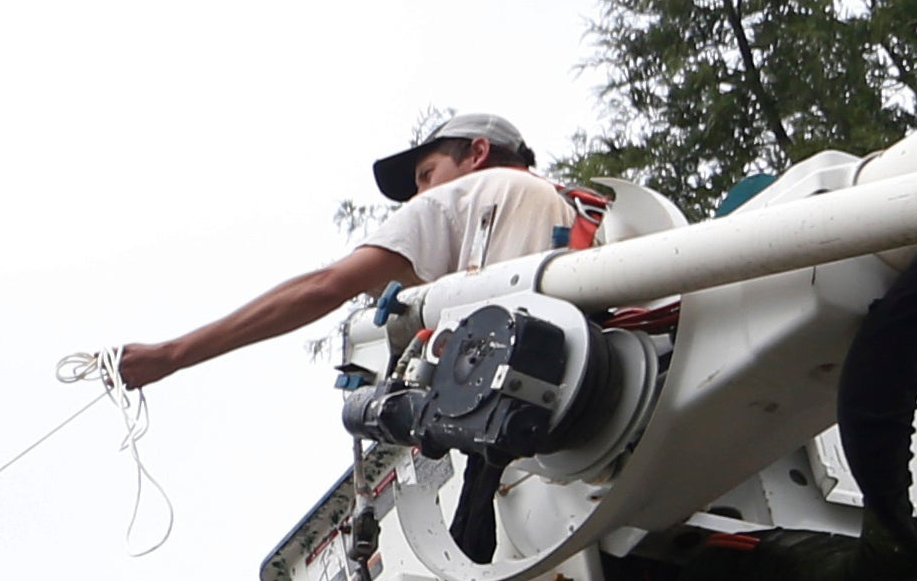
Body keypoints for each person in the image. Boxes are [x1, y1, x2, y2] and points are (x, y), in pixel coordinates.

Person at [118, 113, 585, 391]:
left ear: (477, 152)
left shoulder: (464, 195)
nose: (417, 197)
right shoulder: (578, 211)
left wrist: (173, 354)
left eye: (426, 174)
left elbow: (325, 286)